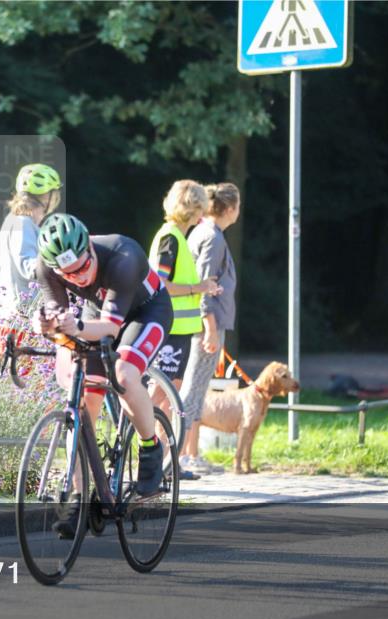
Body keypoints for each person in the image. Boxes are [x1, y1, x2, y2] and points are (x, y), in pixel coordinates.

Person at [32, 213, 173, 538]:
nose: (79, 278)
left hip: (146, 312)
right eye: (69, 274)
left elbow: (110, 328)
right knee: (82, 401)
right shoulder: (45, 267)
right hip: (98, 313)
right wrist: (46, 326)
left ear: (90, 249)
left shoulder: (124, 255)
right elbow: (58, 320)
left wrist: (77, 326)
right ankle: (79, 498)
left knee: (124, 374)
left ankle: (150, 448)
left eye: (83, 267)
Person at [148, 180, 222, 476]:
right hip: (170, 329)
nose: (204, 213)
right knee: (159, 396)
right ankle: (144, 455)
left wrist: (201, 287)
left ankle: (165, 463)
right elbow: (160, 283)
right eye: (201, 207)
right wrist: (198, 287)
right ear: (192, 208)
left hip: (179, 330)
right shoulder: (171, 238)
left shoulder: (177, 236)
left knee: (169, 398)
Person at [179, 183, 240, 472]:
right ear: (230, 209)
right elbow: (204, 283)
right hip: (206, 326)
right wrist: (211, 328)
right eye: (238, 206)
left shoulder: (204, 231)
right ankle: (182, 456)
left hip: (203, 323)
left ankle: (190, 454)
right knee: (194, 388)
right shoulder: (213, 237)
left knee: (197, 387)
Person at [0, 163, 62, 326]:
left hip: (12, 317)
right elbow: (29, 267)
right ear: (47, 197)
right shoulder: (23, 223)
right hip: (20, 320)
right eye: (55, 193)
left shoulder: (16, 221)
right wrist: (62, 263)